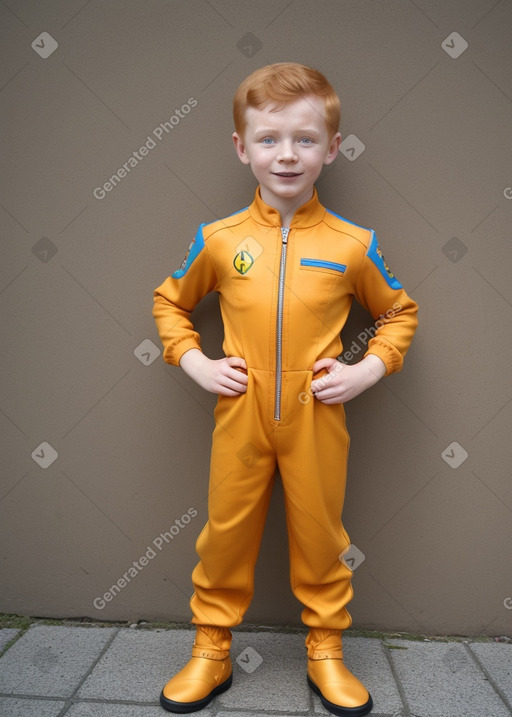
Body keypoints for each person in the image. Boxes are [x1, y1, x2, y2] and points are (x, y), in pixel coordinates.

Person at [153, 62, 418, 716]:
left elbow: (400, 312)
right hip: (240, 412)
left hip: (316, 415)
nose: (287, 155)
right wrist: (195, 363)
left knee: (322, 531)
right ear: (242, 147)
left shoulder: (354, 244)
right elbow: (168, 302)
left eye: (305, 139)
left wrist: (365, 370)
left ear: (332, 148)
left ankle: (325, 648)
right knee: (225, 533)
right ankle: (211, 647)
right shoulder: (218, 239)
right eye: (268, 139)